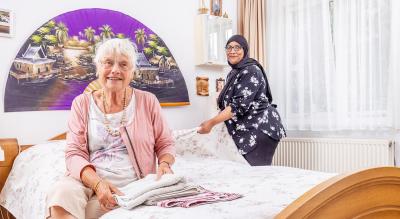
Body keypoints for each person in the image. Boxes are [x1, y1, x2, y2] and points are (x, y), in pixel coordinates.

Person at [46, 38, 175, 219]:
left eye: (123, 64)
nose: (115, 70)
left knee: (86, 211)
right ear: (98, 68)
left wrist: (164, 163)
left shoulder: (148, 101)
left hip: (133, 184)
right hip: (89, 181)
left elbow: (165, 142)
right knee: (61, 195)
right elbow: (74, 153)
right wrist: (98, 184)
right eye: (108, 63)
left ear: (132, 72)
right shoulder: (81, 104)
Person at [198, 35, 286, 166]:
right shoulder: (233, 73)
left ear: (244, 50)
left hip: (260, 128)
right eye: (229, 47)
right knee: (246, 173)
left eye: (237, 47)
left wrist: (211, 123)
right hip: (247, 129)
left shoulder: (251, 70)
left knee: (256, 174)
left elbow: (237, 106)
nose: (232, 51)